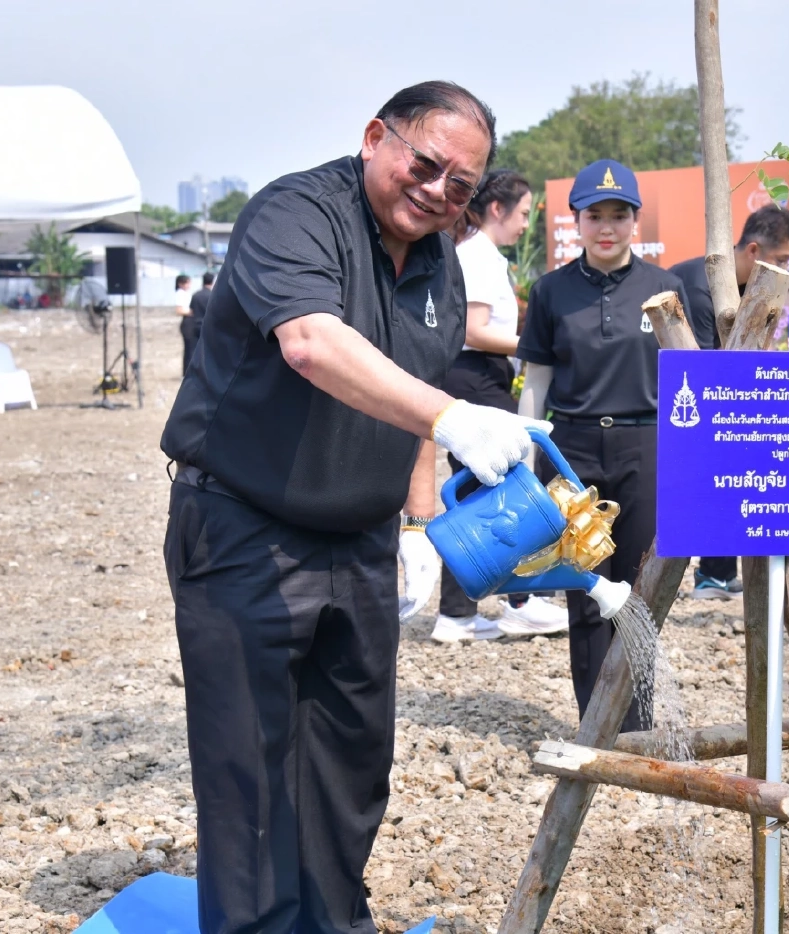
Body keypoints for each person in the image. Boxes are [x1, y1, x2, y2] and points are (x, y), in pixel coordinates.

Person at [159, 81, 549, 934]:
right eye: (426, 163)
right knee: (250, 768)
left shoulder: (441, 259)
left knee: (351, 760)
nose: (439, 190)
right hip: (244, 530)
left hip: (361, 541)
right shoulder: (296, 214)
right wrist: (453, 417)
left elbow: (415, 397)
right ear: (378, 137)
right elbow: (310, 343)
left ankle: (336, 923)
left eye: (461, 185)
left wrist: (418, 526)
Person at [517, 159, 688, 728]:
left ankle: (637, 721)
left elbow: (688, 376)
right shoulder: (550, 292)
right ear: (577, 222)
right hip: (571, 450)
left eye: (620, 215)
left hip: (647, 444)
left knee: (642, 582)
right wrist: (523, 456)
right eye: (595, 216)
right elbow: (536, 381)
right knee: (586, 583)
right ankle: (594, 720)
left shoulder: (664, 288)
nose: (607, 227)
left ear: (635, 221)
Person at [430, 170, 570, 642]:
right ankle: (513, 602)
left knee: (481, 490)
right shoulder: (480, 257)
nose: (526, 224)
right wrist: (537, 345)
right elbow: (473, 330)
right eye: (525, 213)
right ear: (497, 209)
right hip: (477, 374)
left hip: (482, 375)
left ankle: (469, 608)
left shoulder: (480, 254)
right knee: (501, 486)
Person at [671, 204, 789, 598]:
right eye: (781, 260)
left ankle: (720, 569)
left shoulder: (756, 289)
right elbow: (698, 365)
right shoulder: (698, 283)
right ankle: (708, 571)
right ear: (753, 251)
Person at [183, 271, 214, 375]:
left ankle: (190, 372)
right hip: (207, 326)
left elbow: (191, 310)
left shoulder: (196, 295)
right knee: (208, 350)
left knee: (192, 350)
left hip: (195, 325)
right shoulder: (212, 295)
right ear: (212, 281)